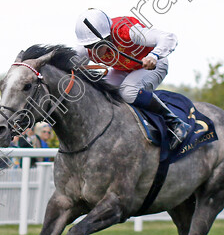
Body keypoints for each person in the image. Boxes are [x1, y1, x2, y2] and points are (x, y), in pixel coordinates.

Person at [74, 8, 190, 150]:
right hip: (123, 69)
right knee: (99, 94)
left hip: (153, 66)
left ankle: (175, 122)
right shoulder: (85, 49)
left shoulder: (128, 32)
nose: (94, 51)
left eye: (97, 44)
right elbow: (68, 69)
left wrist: (154, 56)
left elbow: (169, 37)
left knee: (128, 91)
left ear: (108, 36)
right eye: (90, 46)